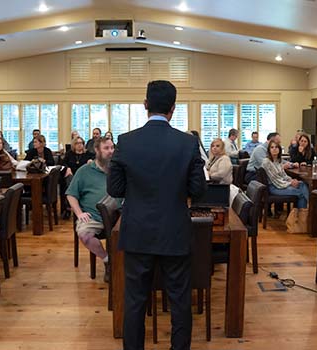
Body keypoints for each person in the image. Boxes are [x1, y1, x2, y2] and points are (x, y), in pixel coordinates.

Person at [108, 80, 206, 350]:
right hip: (175, 231)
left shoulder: (126, 142)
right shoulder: (188, 143)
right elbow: (198, 189)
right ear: (174, 108)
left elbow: (114, 188)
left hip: (137, 231)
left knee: (135, 301)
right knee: (179, 300)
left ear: (145, 105)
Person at [66, 137, 115, 281]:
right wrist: (79, 213)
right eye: (106, 148)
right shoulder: (84, 171)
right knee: (84, 234)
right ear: (97, 150)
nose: (110, 151)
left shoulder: (118, 169)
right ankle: (108, 261)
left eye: (112, 148)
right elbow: (71, 194)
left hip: (119, 215)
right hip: (95, 216)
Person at [261, 140, 310, 208]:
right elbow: (276, 180)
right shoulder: (266, 162)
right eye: (272, 147)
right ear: (269, 150)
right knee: (301, 194)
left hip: (281, 184)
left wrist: (291, 180)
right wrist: (290, 183)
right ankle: (305, 213)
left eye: (276, 147)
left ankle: (310, 208)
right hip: (274, 187)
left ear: (279, 149)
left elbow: (283, 175)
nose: (274, 149)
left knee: (302, 184)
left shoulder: (278, 160)